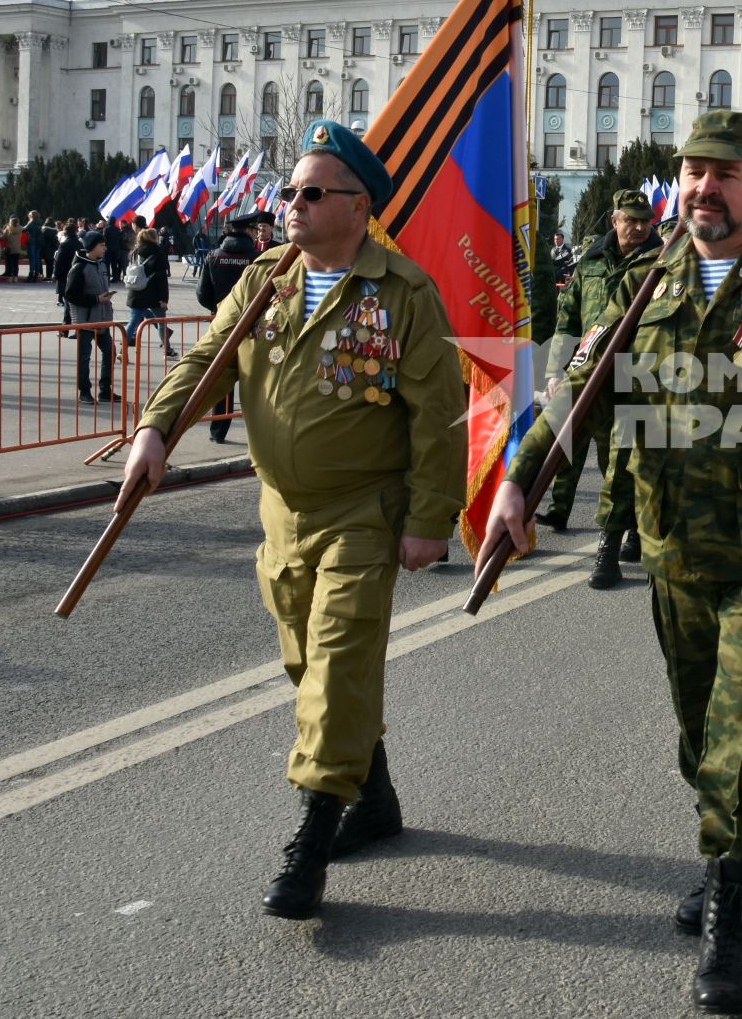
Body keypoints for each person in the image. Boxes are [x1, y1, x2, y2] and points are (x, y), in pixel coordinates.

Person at [482, 110, 742, 1014]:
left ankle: (725, 906)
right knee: (700, 729)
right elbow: (576, 390)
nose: (705, 188)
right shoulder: (648, 280)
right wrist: (518, 482)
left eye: (726, 173)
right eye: (693, 173)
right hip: (673, 550)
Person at [120, 119, 466, 918]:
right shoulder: (267, 279)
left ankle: (310, 842)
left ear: (358, 208)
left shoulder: (402, 293)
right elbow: (204, 360)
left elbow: (438, 414)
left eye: (311, 193)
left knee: (339, 664)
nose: (290, 206)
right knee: (309, 668)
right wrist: (155, 429)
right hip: (282, 512)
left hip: (362, 512)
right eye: (288, 192)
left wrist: (429, 519)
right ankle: (373, 798)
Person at [539, 188, 661, 589]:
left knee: (621, 463)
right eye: (631, 220)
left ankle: (614, 544)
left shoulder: (661, 262)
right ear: (614, 221)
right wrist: (556, 369)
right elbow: (568, 320)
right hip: (591, 373)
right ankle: (593, 523)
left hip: (640, 378)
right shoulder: (590, 262)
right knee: (571, 444)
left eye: (645, 221)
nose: (639, 227)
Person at [196, 211, 267, 442]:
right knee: (258, 376)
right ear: (248, 231)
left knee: (222, 376)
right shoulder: (258, 257)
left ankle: (218, 431)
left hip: (221, 323)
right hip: (255, 324)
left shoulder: (214, 256)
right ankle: (261, 433)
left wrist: (220, 310)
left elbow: (202, 293)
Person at [63, 231, 117, 405]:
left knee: (110, 352)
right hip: (85, 321)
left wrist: (105, 299)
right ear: (92, 247)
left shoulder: (100, 265)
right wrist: (95, 300)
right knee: (84, 357)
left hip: (102, 318)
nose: (105, 248)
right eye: (101, 245)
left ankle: (105, 390)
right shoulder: (79, 268)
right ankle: (84, 391)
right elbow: (70, 294)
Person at [124, 227, 177, 361]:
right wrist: (164, 299)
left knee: (132, 322)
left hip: (135, 290)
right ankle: (167, 350)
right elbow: (162, 279)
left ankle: (121, 351)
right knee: (161, 322)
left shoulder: (135, 252)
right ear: (154, 238)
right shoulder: (158, 253)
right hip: (153, 294)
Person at [52, 221, 82, 333]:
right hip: (78, 276)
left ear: (65, 233)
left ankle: (65, 328)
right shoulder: (79, 244)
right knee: (75, 304)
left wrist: (56, 274)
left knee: (68, 303)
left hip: (65, 276)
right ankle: (76, 328)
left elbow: (58, 261)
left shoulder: (64, 245)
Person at [24, 210, 46, 281]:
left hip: (32, 241)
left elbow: (24, 230)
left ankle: (31, 275)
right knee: (37, 259)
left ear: (31, 216)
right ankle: (36, 275)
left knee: (32, 259)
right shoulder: (40, 222)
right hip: (38, 242)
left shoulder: (31, 222)